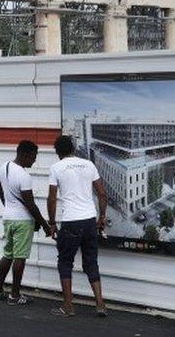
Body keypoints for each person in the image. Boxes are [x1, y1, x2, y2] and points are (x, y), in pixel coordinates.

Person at [47, 135, 108, 317]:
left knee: (65, 262)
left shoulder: (56, 167)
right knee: (91, 263)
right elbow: (102, 194)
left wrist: (51, 223)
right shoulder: (88, 164)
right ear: (73, 148)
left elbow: (51, 198)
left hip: (71, 222)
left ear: (58, 152)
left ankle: (68, 306)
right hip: (89, 220)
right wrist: (102, 217)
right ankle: (100, 304)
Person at [0, 140, 53, 305]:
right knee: (20, 257)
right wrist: (46, 225)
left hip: (8, 218)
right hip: (22, 221)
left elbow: (0, 191)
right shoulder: (24, 176)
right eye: (33, 157)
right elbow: (30, 204)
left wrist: (9, 207)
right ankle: (15, 295)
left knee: (8, 254)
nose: (34, 160)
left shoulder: (3, 167)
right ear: (25, 154)